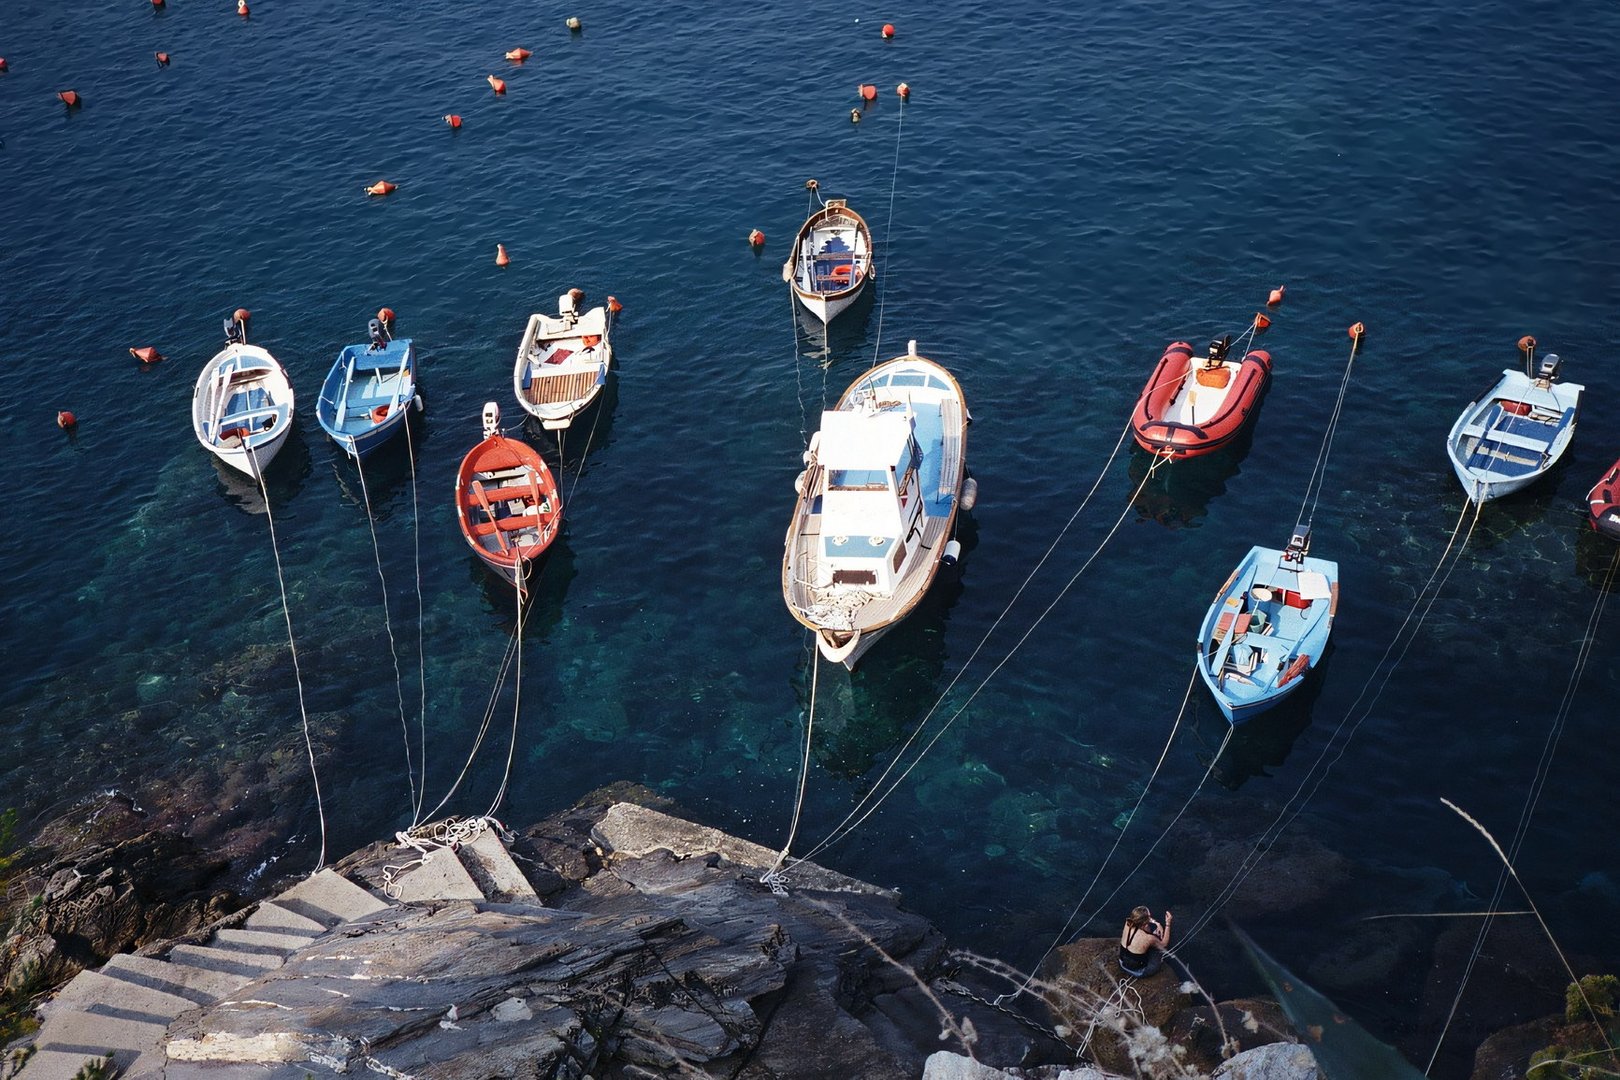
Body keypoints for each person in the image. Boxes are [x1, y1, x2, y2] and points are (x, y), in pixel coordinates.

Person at [1118, 905, 1171, 977]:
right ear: (1145, 924)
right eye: (1149, 916)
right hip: (1138, 972)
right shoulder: (1148, 938)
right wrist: (1168, 924)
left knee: (1150, 936)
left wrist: (1156, 923)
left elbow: (1143, 922)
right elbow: (1164, 944)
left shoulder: (1128, 922)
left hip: (1122, 963)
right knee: (1157, 948)